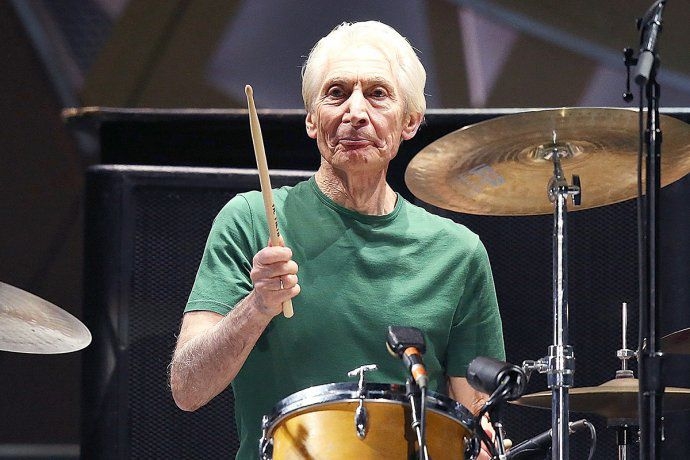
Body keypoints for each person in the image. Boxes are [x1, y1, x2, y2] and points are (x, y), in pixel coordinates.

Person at [169, 20, 505, 459]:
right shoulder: (251, 220)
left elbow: (475, 422)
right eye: (337, 93)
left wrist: (484, 446)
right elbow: (187, 388)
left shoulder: (458, 253)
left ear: (410, 121)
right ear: (312, 120)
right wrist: (258, 305)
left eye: (378, 94)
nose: (355, 112)